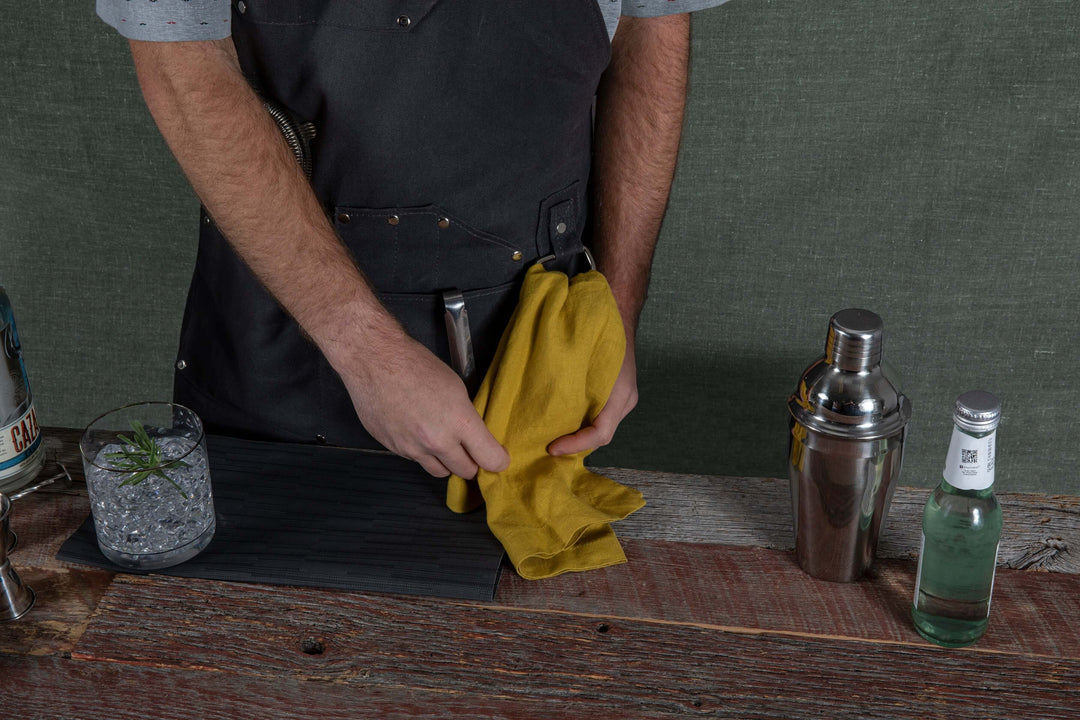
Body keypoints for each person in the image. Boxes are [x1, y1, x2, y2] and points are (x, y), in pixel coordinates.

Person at [95, 0, 728, 479]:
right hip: (287, 350)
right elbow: (181, 61)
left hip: (538, 342)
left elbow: (655, 24)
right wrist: (366, 350)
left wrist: (614, 309)